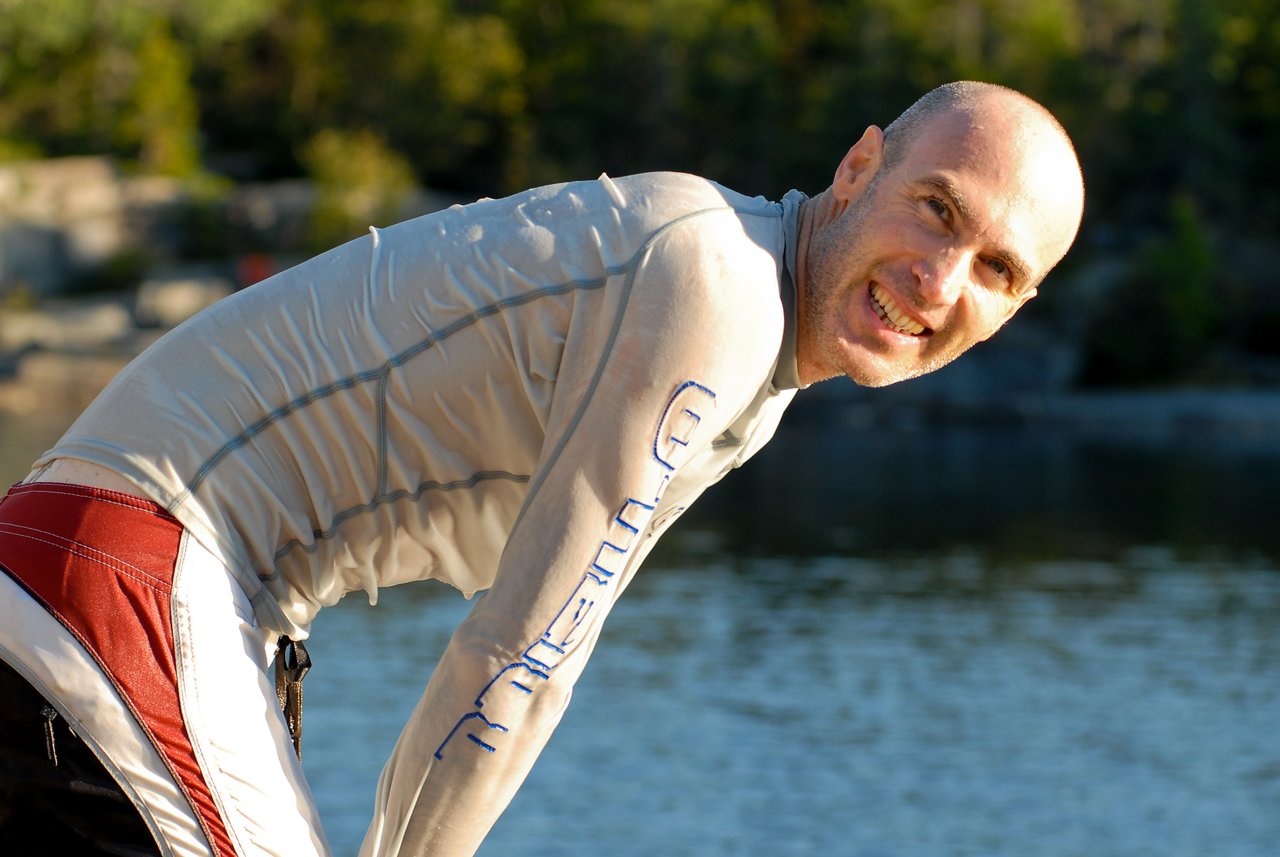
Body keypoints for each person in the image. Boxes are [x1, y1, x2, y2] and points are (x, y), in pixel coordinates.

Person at [0, 80, 1084, 856]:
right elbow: (519, 660)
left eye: (995, 269)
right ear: (857, 169)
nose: (940, 282)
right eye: (934, 208)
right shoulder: (721, 283)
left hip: (109, 562)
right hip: (133, 572)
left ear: (1014, 310)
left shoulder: (752, 345)